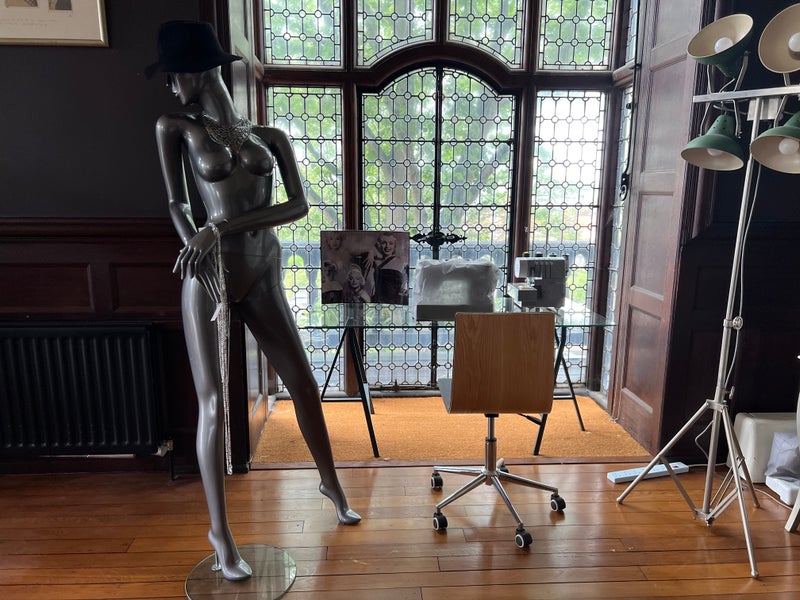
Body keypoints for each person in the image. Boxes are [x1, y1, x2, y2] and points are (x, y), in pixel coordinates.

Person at [147, 20, 360, 581]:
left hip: (263, 269)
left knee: (304, 384)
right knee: (214, 404)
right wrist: (197, 241)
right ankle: (220, 536)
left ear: (195, 72)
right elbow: (176, 204)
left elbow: (297, 207)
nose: (170, 86)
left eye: (173, 75)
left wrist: (221, 226)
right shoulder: (174, 127)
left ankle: (332, 485)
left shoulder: (270, 136)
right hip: (210, 277)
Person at [373, 233, 407, 304]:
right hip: (378, 301)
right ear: (380, 245)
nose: (387, 246)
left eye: (391, 243)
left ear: (394, 246)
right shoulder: (375, 261)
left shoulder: (401, 261)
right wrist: (370, 252)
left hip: (395, 301)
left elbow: (406, 281)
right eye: (384, 243)